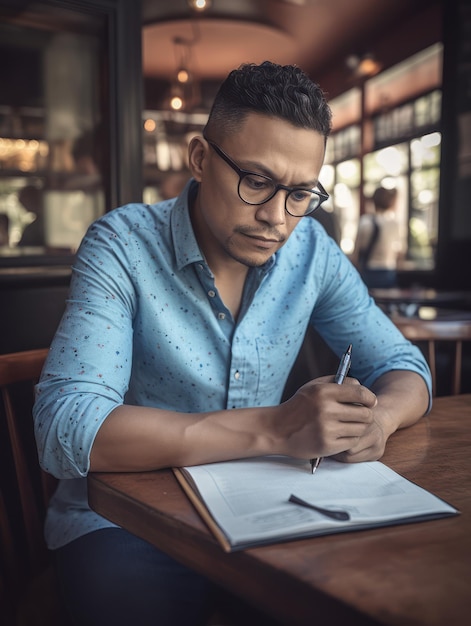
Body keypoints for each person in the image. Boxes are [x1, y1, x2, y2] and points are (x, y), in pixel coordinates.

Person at [33, 61, 431, 626]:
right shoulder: (122, 243)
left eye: (300, 193)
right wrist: (274, 428)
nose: (276, 217)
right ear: (200, 158)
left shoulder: (311, 252)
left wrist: (380, 421)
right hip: (125, 522)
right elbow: (65, 427)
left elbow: (403, 365)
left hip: (271, 511)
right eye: (257, 181)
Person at [353, 185, 403, 288]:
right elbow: (399, 252)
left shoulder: (365, 221)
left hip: (369, 270)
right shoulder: (394, 224)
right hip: (388, 271)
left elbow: (356, 253)